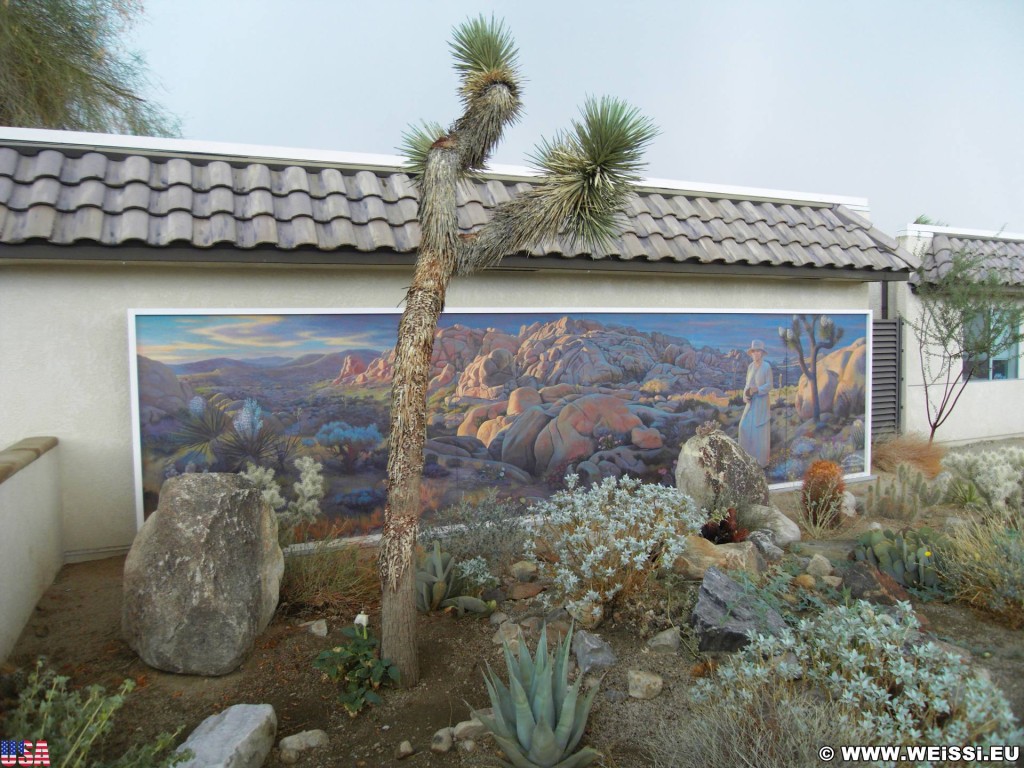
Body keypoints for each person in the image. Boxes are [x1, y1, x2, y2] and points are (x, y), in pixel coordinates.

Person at [738, 339, 772, 467]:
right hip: (751, 402)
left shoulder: (766, 367)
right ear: (751, 353)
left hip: (761, 402)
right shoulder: (750, 367)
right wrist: (745, 395)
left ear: (762, 353)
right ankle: (747, 460)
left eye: (758, 351)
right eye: (754, 351)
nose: (756, 354)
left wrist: (758, 389)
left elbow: (769, 385)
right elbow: (747, 384)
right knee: (744, 427)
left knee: (759, 431)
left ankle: (761, 463)